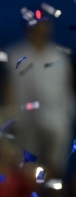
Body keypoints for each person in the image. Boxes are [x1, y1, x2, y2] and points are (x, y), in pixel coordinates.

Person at [6, 16, 76, 177]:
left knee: (56, 165)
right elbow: (9, 88)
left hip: (56, 119)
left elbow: (67, 89)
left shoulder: (59, 57)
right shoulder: (16, 55)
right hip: (25, 120)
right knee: (28, 166)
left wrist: (68, 116)